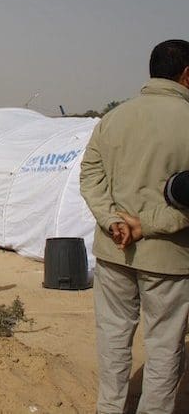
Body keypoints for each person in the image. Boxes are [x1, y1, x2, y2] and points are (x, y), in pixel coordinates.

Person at [79, 39, 189, 414]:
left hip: (114, 252)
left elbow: (90, 176)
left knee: (112, 337)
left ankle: (109, 408)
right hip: (169, 260)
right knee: (164, 346)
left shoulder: (114, 119)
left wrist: (112, 220)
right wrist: (152, 224)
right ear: (187, 74)